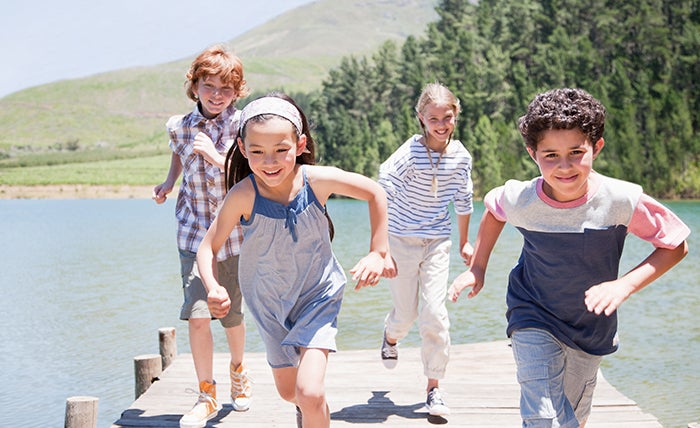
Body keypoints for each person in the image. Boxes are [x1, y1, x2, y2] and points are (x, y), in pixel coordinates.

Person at [448, 88, 690, 427]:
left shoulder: (620, 200)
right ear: (532, 153)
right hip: (532, 312)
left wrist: (624, 286)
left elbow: (675, 244)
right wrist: (478, 268)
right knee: (542, 415)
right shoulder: (521, 198)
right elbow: (494, 212)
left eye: (576, 152)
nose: (564, 167)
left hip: (589, 327)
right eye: (550, 155)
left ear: (597, 147)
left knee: (573, 417)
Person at [196, 93, 393, 428]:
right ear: (243, 149)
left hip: (318, 296)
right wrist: (213, 287)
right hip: (269, 303)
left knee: (310, 392)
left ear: (299, 144)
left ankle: (312, 409)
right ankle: (310, 411)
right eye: (257, 152)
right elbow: (207, 247)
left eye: (281, 150)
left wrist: (379, 251)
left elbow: (375, 192)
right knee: (291, 394)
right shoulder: (243, 195)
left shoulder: (316, 181)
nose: (269, 161)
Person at [152, 44, 253, 428]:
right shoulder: (178, 126)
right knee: (197, 315)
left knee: (231, 315)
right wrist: (167, 182)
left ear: (236, 91)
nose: (216, 95)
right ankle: (206, 394)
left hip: (235, 236)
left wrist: (214, 154)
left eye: (225, 89)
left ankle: (239, 372)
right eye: (208, 86)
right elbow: (179, 153)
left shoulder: (243, 124)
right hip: (193, 233)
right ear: (194, 86)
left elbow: (252, 171)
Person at [378, 82, 474, 416]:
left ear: (455, 115)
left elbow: (464, 201)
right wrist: (380, 247)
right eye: (433, 118)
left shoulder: (461, 157)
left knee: (435, 313)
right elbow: (383, 187)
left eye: (446, 117)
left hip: (437, 241)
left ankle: (434, 388)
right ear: (422, 118)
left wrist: (464, 241)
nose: (441, 124)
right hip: (401, 240)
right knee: (406, 315)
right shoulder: (410, 153)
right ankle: (391, 337)